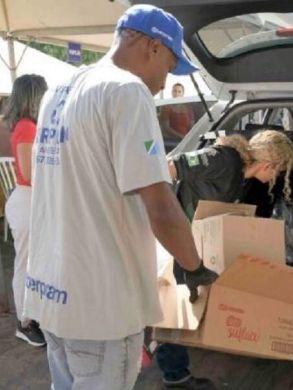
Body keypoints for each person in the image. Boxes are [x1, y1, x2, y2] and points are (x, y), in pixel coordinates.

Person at [22, 5, 217, 390]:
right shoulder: (128, 91)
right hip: (101, 305)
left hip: (52, 293)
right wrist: (193, 265)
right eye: (170, 65)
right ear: (150, 46)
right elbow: (159, 204)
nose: (164, 83)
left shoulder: (59, 92)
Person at [155, 129, 293, 385]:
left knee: (181, 304)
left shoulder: (239, 176)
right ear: (270, 163)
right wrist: (170, 217)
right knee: (174, 306)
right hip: (178, 241)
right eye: (280, 170)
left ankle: (176, 372)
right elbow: (169, 167)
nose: (277, 177)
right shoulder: (224, 159)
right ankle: (174, 376)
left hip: (193, 243)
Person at [2, 74, 47, 347]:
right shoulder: (28, 127)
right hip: (28, 200)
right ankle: (24, 322)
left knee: (32, 263)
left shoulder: (25, 125)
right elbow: (30, 172)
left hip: (28, 200)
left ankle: (31, 316)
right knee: (27, 264)